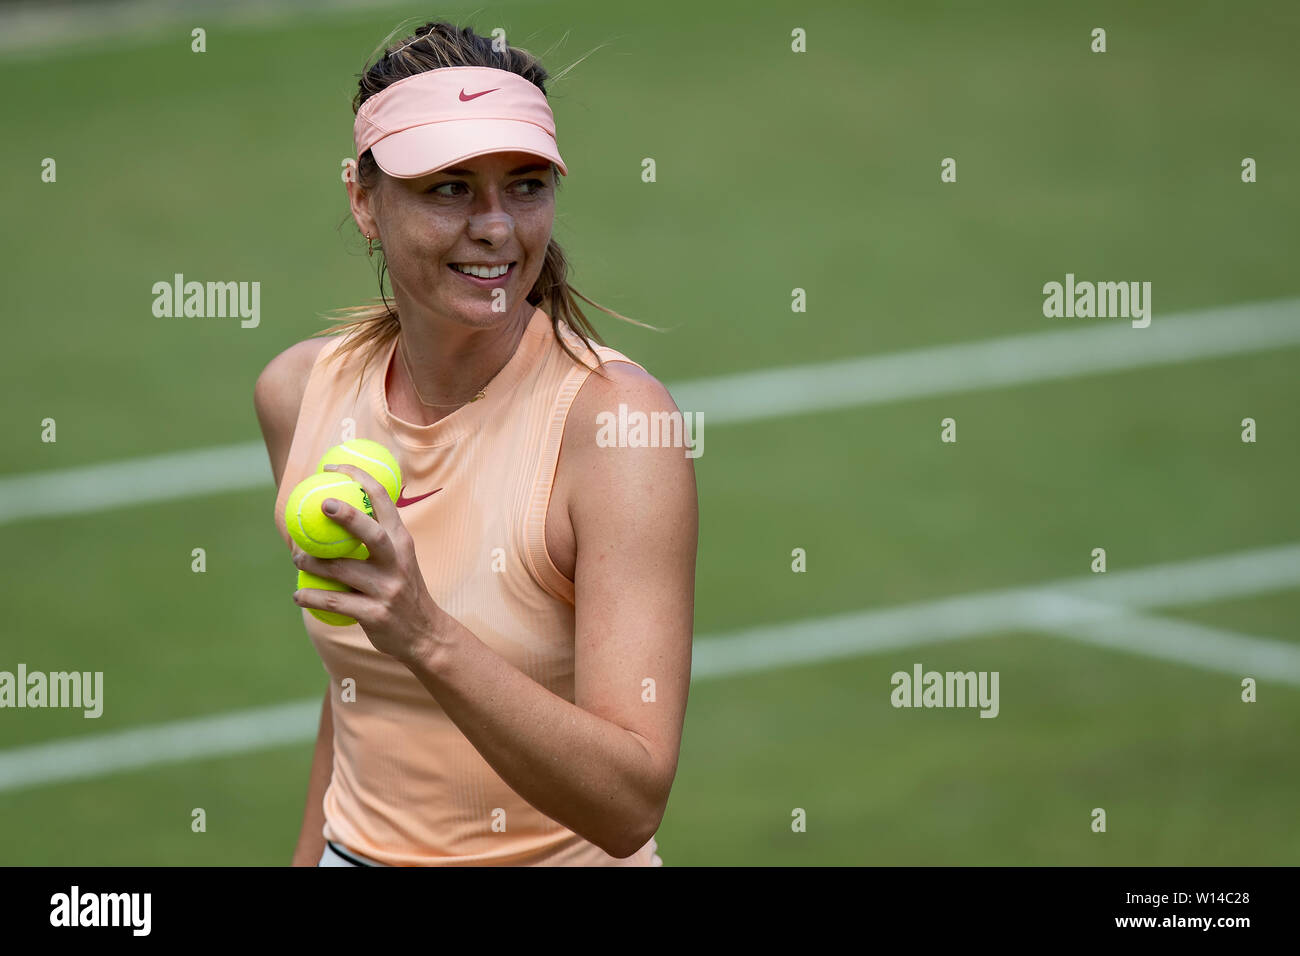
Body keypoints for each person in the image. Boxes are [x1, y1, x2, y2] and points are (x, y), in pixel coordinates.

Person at [253, 21, 697, 866]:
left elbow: (631, 800)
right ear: (362, 201)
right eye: (449, 189)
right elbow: (356, 692)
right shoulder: (301, 393)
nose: (496, 227)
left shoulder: (615, 429)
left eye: (525, 186)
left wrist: (425, 632)